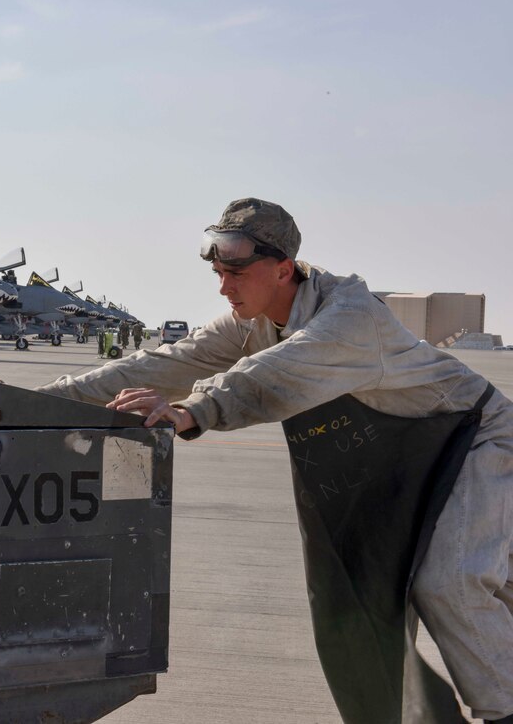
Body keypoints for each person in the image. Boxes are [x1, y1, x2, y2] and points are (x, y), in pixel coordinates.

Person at [37, 198, 512, 723]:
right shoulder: (251, 320)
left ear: (284, 268)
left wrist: (191, 411)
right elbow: (164, 361)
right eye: (218, 273)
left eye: (236, 272)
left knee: (452, 583)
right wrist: (37, 399)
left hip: (477, 442)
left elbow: (275, 372)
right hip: (415, 459)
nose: (224, 287)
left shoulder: (350, 318)